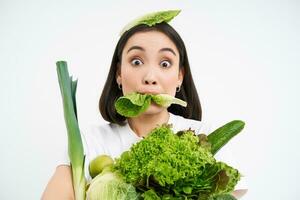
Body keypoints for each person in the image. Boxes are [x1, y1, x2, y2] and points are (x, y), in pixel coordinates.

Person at [42, 10, 247, 199]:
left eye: (165, 63)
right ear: (119, 74)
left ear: (179, 77)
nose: (150, 77)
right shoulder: (90, 141)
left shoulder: (205, 137)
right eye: (136, 61)